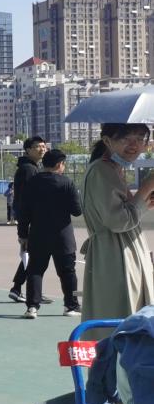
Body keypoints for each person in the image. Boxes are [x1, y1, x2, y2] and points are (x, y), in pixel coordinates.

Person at [80, 124, 154, 331]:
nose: (134, 145)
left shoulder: (111, 169)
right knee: (123, 322)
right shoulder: (102, 170)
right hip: (117, 255)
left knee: (128, 321)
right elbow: (119, 221)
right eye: (126, 139)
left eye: (140, 138)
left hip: (121, 251)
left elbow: (124, 214)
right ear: (107, 141)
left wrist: (144, 203)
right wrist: (147, 187)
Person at [18, 148, 81, 319]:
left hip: (38, 235)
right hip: (63, 236)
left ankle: (32, 307)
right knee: (68, 272)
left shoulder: (32, 182)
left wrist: (22, 234)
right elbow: (77, 211)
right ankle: (71, 305)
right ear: (60, 164)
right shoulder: (67, 182)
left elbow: (23, 212)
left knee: (35, 271)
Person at [9, 136, 49, 303]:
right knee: (36, 256)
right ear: (28, 150)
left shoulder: (30, 168)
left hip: (31, 220)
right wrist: (23, 230)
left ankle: (19, 289)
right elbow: (25, 200)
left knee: (34, 255)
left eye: (44, 146)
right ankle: (23, 290)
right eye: (38, 146)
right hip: (33, 221)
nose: (42, 149)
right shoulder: (28, 170)